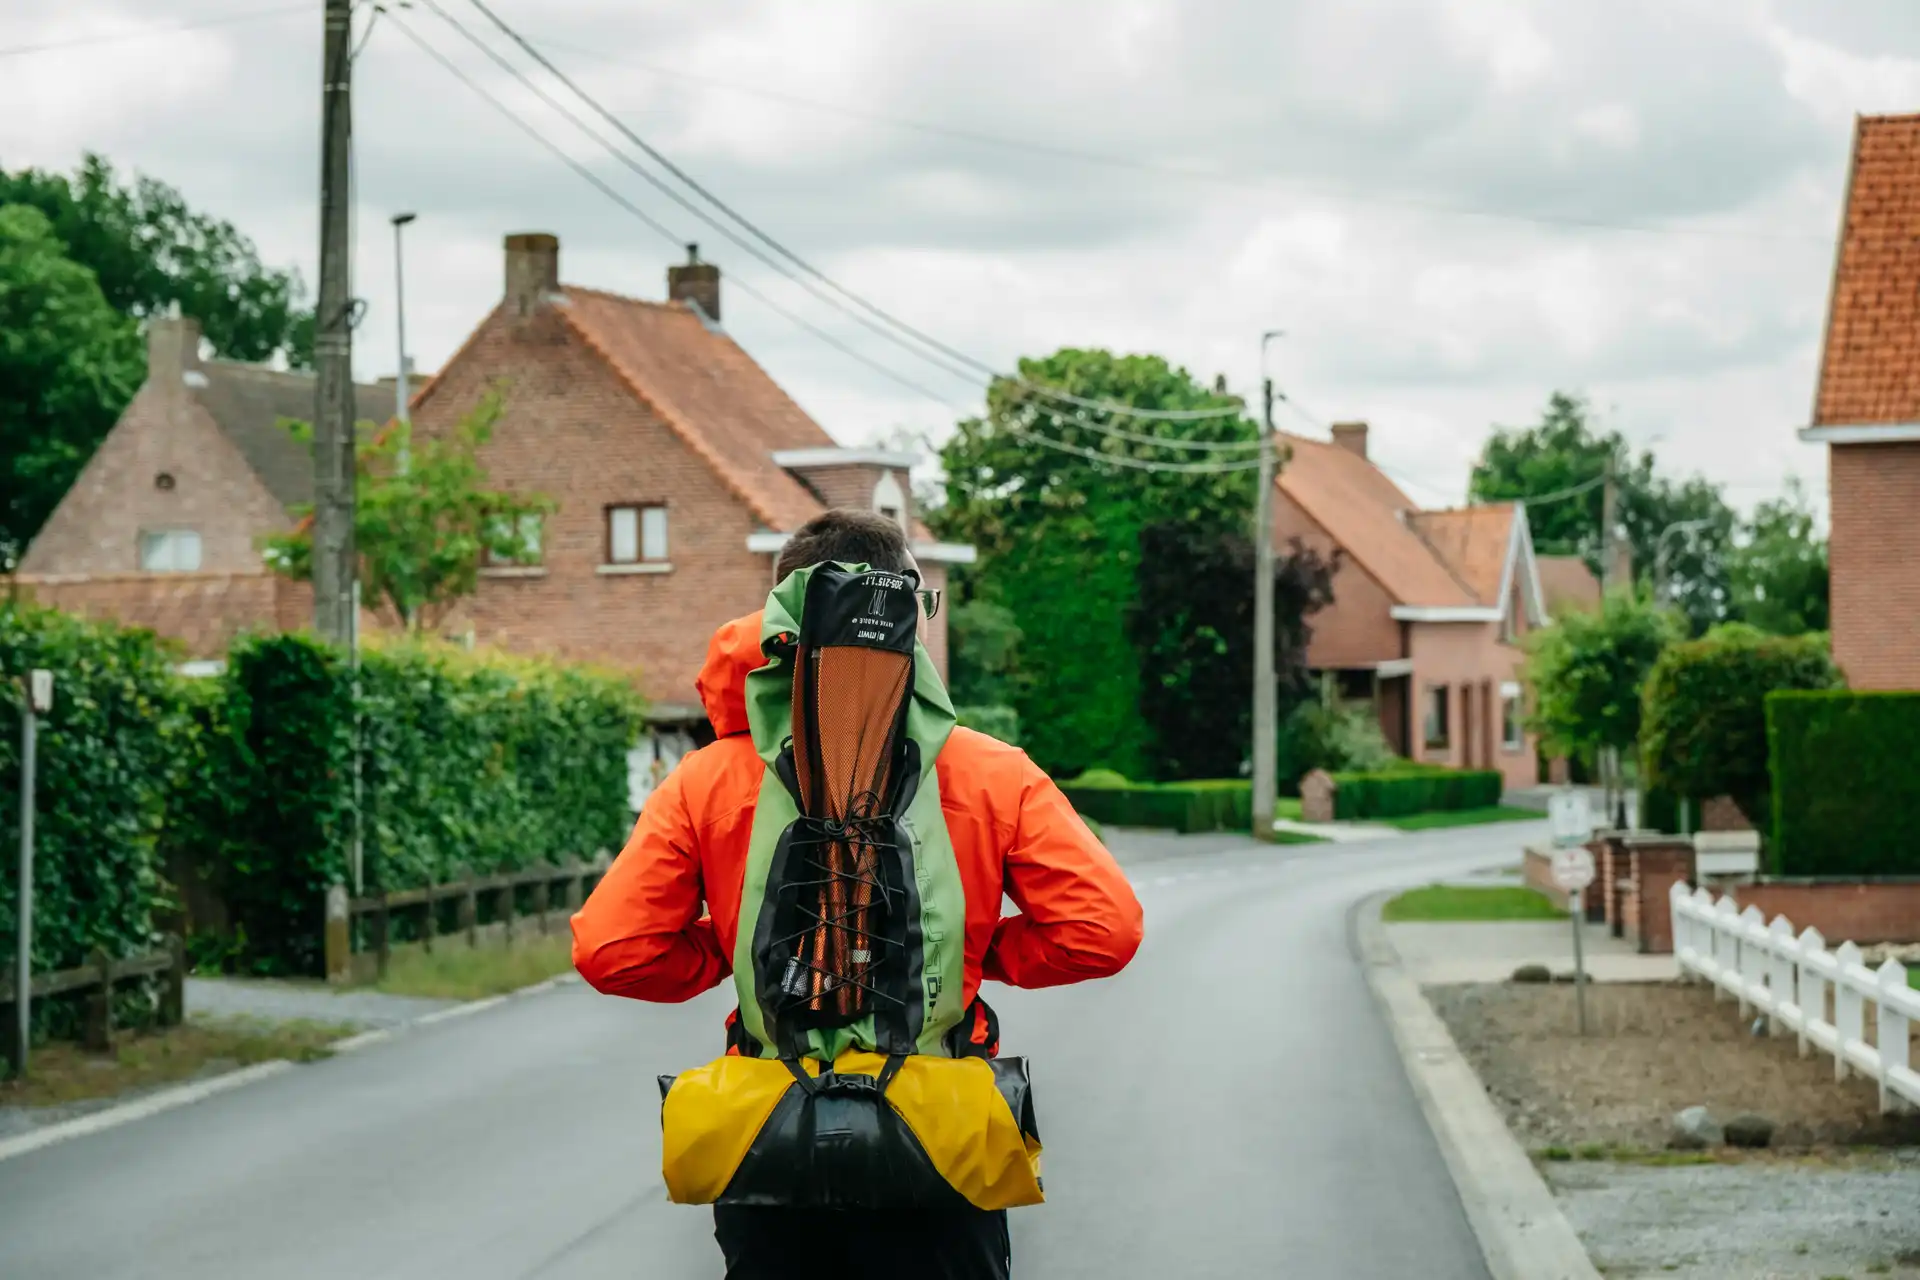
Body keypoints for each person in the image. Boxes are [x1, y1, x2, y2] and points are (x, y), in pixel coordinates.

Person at [571, 508, 1144, 1279]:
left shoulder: (707, 779)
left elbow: (613, 951)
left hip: (771, 1141)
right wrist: (975, 949)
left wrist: (732, 946)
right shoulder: (993, 772)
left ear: (777, 617)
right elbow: (1103, 930)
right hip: (940, 1143)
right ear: (907, 612)